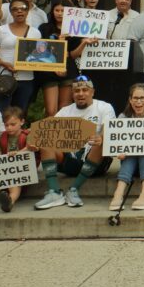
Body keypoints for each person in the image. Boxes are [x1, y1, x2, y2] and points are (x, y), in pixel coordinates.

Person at [33, 74, 116, 210]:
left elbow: (109, 129)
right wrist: (34, 142)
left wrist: (101, 137)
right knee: (45, 139)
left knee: (102, 141)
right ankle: (55, 192)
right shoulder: (65, 111)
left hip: (95, 161)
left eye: (85, 90)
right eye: (77, 91)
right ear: (72, 93)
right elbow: (48, 132)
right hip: (70, 159)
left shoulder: (104, 107)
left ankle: (74, 189)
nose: (81, 94)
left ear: (92, 92)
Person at [109, 83, 144, 211]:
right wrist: (119, 152)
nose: (138, 102)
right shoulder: (123, 117)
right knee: (133, 151)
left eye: (142, 98)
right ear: (130, 100)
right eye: (135, 98)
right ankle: (118, 194)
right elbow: (117, 145)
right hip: (131, 163)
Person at [0, 0, 41, 115]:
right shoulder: (1, 30)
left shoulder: (36, 33)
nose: (19, 11)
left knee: (20, 113)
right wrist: (4, 64)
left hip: (26, 79)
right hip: (4, 78)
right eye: (15, 9)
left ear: (28, 11)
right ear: (10, 12)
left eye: (23, 8)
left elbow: (39, 55)